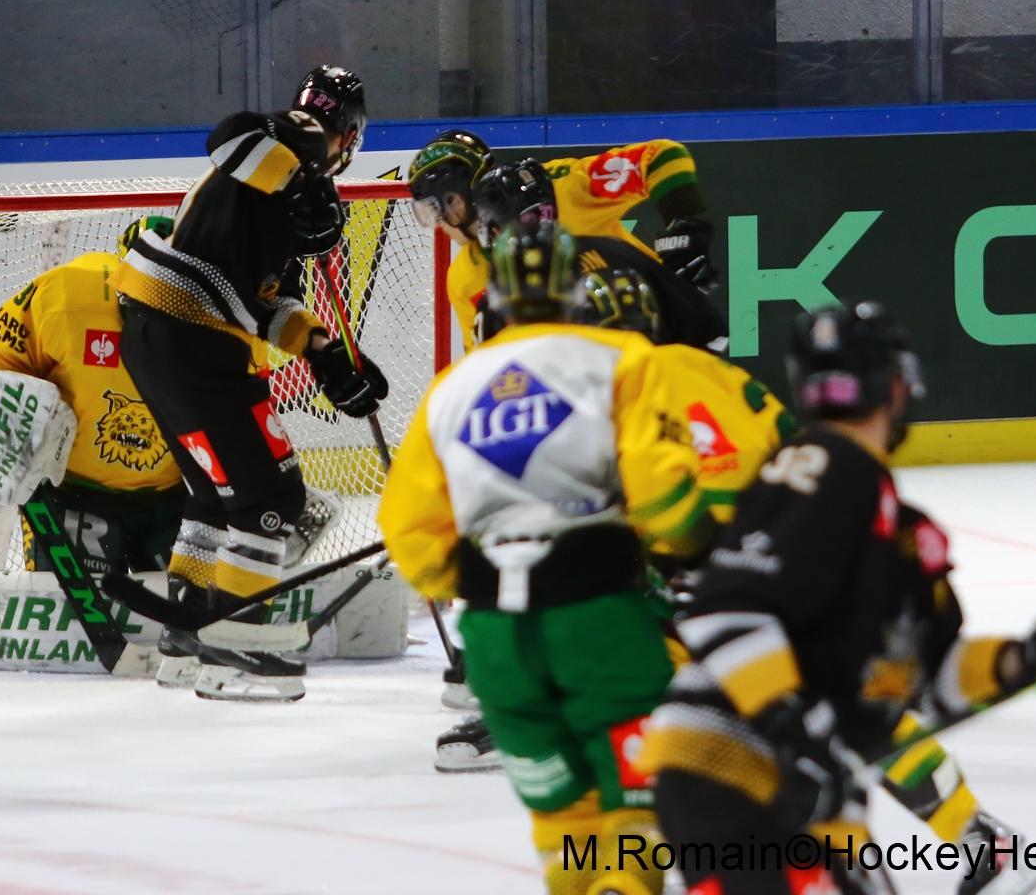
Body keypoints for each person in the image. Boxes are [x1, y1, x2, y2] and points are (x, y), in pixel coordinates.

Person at [643, 302, 1036, 894]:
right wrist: (794, 733)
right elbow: (726, 608)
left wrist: (1030, 660)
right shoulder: (824, 470)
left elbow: (929, 673)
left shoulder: (891, 525)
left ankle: (978, 836)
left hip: (804, 796)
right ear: (898, 388)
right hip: (735, 776)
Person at [381, 223, 714, 895]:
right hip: (600, 616)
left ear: (497, 295)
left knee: (565, 827)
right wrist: (691, 548)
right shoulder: (621, 357)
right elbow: (661, 489)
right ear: (574, 289)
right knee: (637, 807)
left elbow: (407, 526)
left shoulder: (451, 387)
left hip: (495, 641)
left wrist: (476, 582)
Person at [116, 65, 386, 702]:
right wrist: (303, 181)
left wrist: (324, 353)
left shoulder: (275, 182)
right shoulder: (301, 139)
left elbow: (270, 302)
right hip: (192, 336)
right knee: (272, 499)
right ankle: (236, 647)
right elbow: (229, 133)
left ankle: (187, 637)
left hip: (158, 332)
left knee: (217, 496)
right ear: (351, 135)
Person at [0, 216, 184, 580]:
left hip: (176, 496)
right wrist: (21, 425)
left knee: (204, 606)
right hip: (71, 494)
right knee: (64, 608)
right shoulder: (69, 292)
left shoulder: (221, 314)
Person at [406, 130, 718, 349]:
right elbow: (484, 364)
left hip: (658, 339)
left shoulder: (560, 188)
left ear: (464, 192)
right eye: (429, 212)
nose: (439, 224)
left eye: (442, 205)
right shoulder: (463, 280)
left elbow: (660, 157)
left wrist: (684, 226)